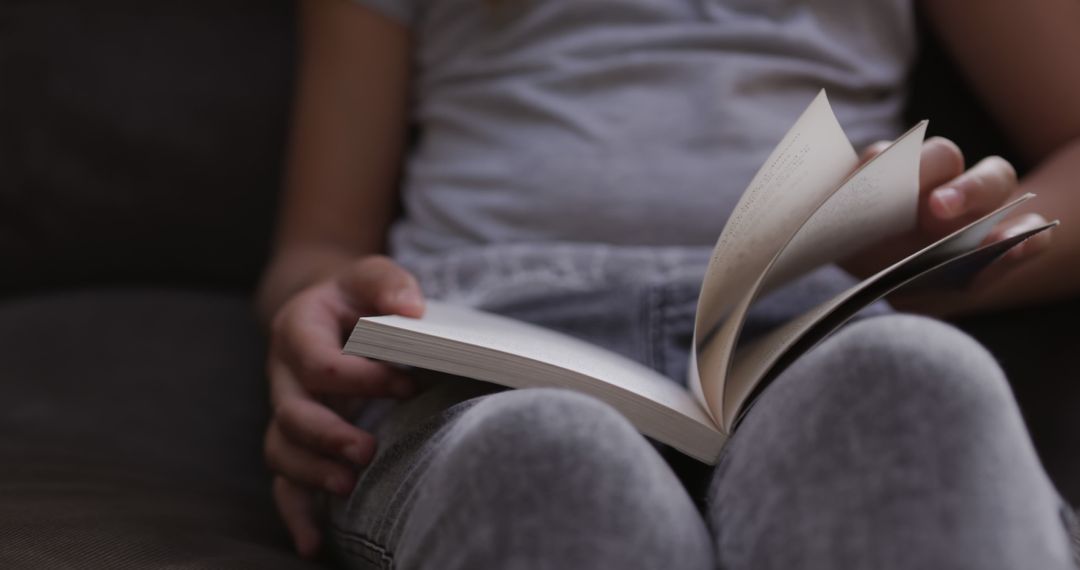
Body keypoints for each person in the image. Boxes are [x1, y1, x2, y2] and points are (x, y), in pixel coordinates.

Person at [256, 0, 1080, 568]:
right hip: (484, 341)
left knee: (915, 381)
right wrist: (316, 313)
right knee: (545, 452)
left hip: (798, 312)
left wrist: (946, 254)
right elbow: (321, 246)